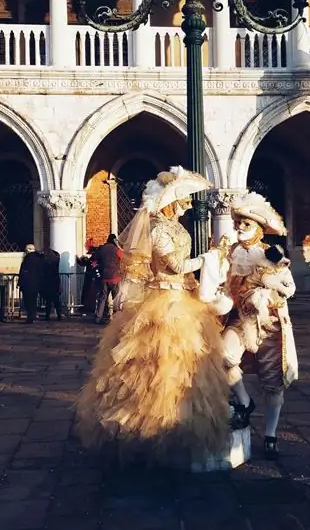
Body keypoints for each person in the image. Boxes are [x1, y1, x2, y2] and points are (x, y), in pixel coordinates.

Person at [75, 166, 230, 467]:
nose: (186, 205)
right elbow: (173, 265)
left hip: (181, 299)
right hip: (163, 301)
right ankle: (148, 435)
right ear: (167, 203)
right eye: (180, 200)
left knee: (188, 369)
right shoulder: (158, 230)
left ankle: (181, 432)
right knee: (155, 369)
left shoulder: (174, 226)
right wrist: (207, 259)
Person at [222, 191, 299, 460]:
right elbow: (224, 282)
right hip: (238, 318)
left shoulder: (271, 253)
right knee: (224, 356)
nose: (240, 228)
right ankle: (244, 401)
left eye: (247, 224)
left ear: (258, 228)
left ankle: (270, 433)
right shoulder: (230, 253)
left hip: (269, 323)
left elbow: (290, 288)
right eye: (238, 223)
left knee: (273, 382)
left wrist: (270, 287)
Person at [93, 233, 123, 324]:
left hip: (104, 277)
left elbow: (95, 259)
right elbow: (123, 259)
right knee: (116, 298)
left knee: (103, 298)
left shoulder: (102, 249)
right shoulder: (116, 250)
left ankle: (98, 317)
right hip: (115, 277)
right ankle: (116, 317)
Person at [18, 244, 44, 324]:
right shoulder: (39, 258)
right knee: (33, 301)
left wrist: (20, 283)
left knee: (28, 301)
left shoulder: (27, 259)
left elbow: (23, 272)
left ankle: (30, 317)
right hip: (36, 283)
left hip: (27, 284)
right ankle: (32, 316)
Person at [76, 246, 101, 317]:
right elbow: (82, 263)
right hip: (90, 279)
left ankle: (90, 308)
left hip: (92, 279)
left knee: (90, 294)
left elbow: (84, 263)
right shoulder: (93, 260)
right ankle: (87, 307)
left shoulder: (94, 261)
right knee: (87, 293)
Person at [39, 247, 63, 321]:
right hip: (54, 282)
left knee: (48, 301)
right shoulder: (55, 261)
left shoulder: (44, 261)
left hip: (47, 282)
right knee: (56, 301)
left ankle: (47, 316)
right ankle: (59, 315)